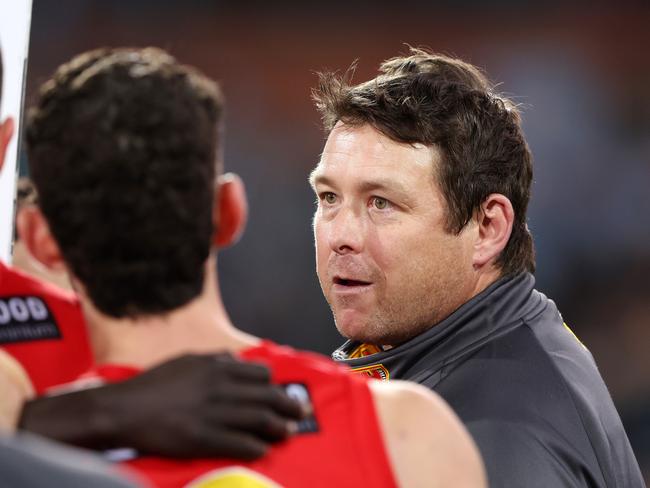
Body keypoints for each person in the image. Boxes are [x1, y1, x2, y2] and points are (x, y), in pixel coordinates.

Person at [24, 47, 485, 488]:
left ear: (39, 239)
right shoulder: (409, 436)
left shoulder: (21, 437)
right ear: (230, 212)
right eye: (328, 199)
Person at [310, 48, 644, 487]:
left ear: (487, 228)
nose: (340, 235)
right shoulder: (485, 352)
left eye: (381, 203)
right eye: (329, 198)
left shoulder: (494, 437)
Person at [0, 41, 302, 460]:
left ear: (39, 238)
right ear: (230, 211)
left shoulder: (20, 364)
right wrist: (109, 411)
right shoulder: (396, 424)